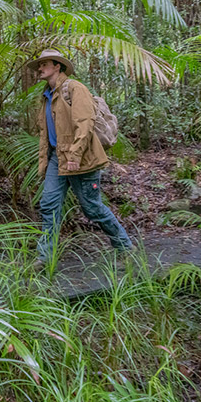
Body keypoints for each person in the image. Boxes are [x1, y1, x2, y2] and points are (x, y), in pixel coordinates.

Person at [29, 49, 134, 268]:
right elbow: (46, 133)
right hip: (57, 160)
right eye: (39, 65)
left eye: (44, 64)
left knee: (92, 208)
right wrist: (45, 161)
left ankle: (125, 247)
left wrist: (75, 155)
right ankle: (45, 258)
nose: (40, 68)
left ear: (57, 66)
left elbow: (84, 124)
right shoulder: (46, 95)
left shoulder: (75, 89)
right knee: (49, 205)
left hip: (81, 160)